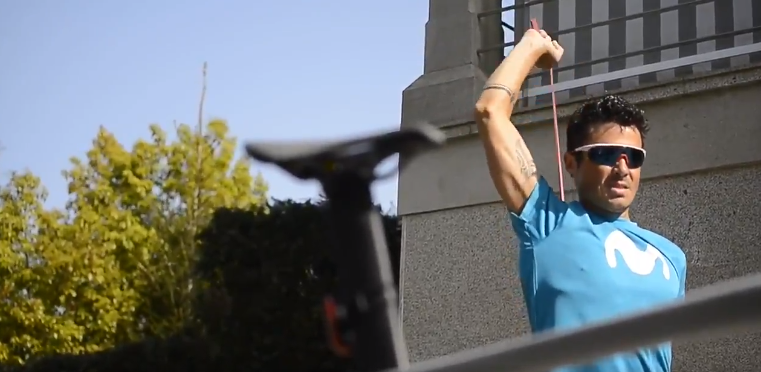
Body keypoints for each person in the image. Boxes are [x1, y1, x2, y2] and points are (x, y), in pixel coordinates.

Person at [474, 28, 687, 372]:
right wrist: (532, 45)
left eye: (634, 157)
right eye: (606, 154)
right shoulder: (546, 223)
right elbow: (489, 111)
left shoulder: (673, 258)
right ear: (571, 163)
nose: (622, 168)